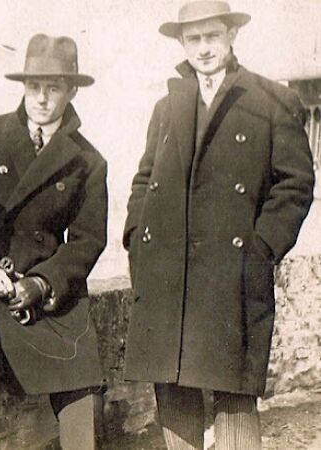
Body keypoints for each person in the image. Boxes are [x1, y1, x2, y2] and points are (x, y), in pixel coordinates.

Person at [122, 1, 315, 449]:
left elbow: (295, 184)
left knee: (234, 398)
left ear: (232, 36)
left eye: (212, 36)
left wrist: (261, 247)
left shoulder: (270, 101)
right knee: (173, 392)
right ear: (182, 43)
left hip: (233, 275)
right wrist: (137, 237)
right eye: (194, 38)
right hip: (168, 275)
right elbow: (145, 178)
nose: (204, 48)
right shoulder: (167, 106)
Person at [0, 34, 108, 450]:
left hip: (44, 291)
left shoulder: (88, 161)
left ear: (72, 90)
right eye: (33, 86)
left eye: (54, 87)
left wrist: (41, 283)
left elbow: (87, 241)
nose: (41, 98)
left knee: (83, 390)